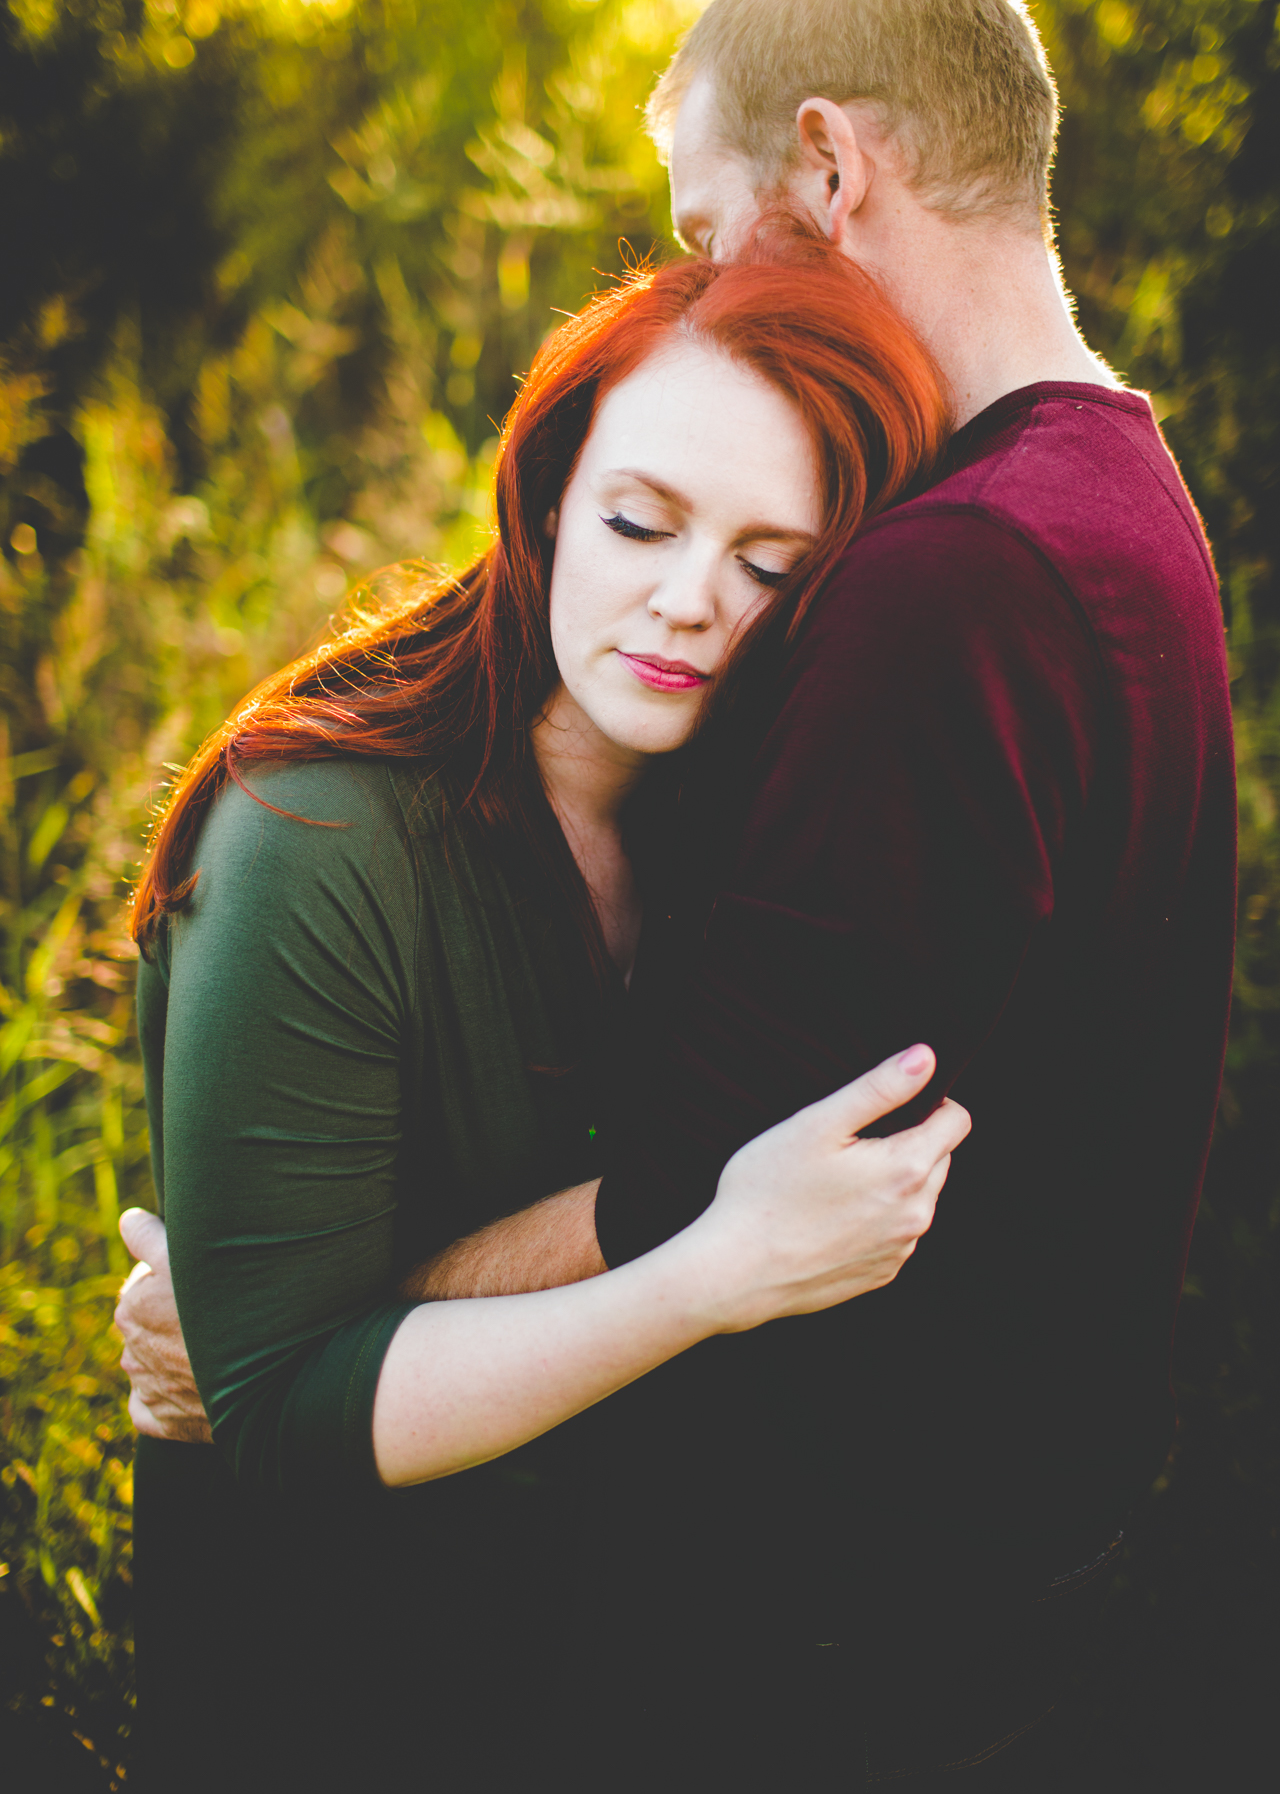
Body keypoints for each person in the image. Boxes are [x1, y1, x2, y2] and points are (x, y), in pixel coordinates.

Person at [122, 0, 1238, 1787]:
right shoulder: (1126, 497)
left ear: (828, 165)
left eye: (715, 235)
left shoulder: (946, 575)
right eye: (641, 520)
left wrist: (284, 1331)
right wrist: (274, 1314)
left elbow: (689, 1183)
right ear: (555, 500)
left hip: (865, 1617)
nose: (716, 291)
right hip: (919, 1567)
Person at [116, 244, 969, 1792]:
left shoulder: (755, 831)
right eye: (643, 520)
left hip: (617, 1655)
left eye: (775, 565)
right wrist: (719, 1272)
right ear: (552, 492)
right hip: (334, 1688)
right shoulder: (315, 836)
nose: (691, 600)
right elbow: (284, 1421)